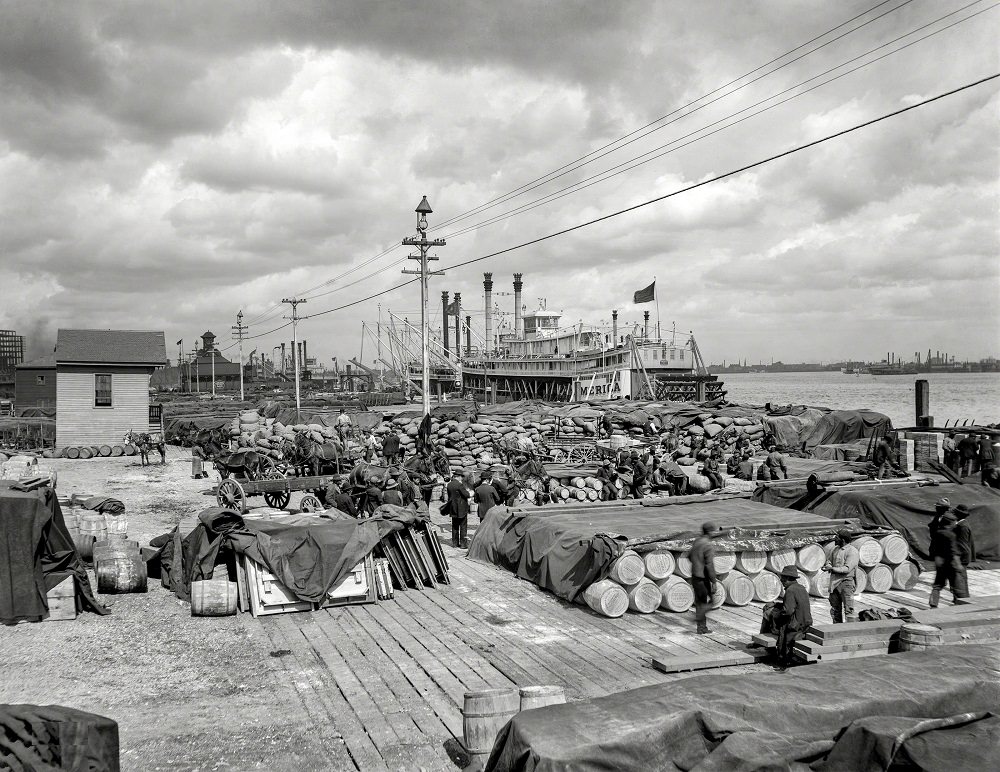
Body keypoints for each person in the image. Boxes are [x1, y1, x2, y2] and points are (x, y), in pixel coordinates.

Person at [767, 566, 813, 669]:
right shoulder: (802, 588)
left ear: (787, 578)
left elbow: (787, 611)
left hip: (795, 626)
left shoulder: (790, 591)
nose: (782, 581)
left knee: (768, 613)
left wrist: (775, 614)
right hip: (806, 623)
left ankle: (776, 653)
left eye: (783, 579)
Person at [690, 522, 724, 634]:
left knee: (700, 602)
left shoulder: (697, 541)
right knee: (711, 602)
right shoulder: (708, 545)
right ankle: (699, 622)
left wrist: (697, 564)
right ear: (710, 532)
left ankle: (701, 627)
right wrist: (714, 581)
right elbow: (709, 565)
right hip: (703, 578)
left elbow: (689, 556)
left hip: (695, 576)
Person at [823, 529, 860, 624]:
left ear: (843, 540)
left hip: (846, 584)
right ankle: (836, 628)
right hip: (834, 584)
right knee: (835, 610)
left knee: (849, 610)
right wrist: (828, 565)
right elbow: (829, 560)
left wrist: (832, 568)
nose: (835, 539)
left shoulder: (852, 551)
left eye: (837, 537)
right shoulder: (835, 549)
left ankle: (848, 631)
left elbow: (847, 568)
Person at [928, 512, 964, 607]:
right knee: (956, 586)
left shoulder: (937, 533)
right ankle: (959, 604)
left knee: (938, 585)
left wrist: (936, 558)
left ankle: (933, 603)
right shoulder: (951, 535)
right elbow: (953, 551)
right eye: (954, 522)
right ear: (950, 523)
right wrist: (958, 565)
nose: (955, 524)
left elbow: (933, 548)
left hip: (940, 563)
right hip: (950, 564)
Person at [443, 471, 471, 548]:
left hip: (453, 507)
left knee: (454, 526)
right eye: (461, 477)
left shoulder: (449, 484)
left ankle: (455, 544)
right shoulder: (459, 485)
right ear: (458, 476)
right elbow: (467, 495)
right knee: (463, 526)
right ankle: (463, 544)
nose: (461, 478)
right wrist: (469, 492)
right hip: (461, 508)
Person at [953, 504, 975, 599]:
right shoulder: (961, 525)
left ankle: (962, 599)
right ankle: (963, 598)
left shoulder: (962, 527)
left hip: (961, 558)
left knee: (959, 579)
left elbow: (962, 545)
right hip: (963, 557)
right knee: (961, 578)